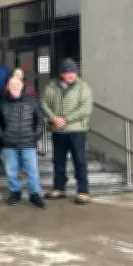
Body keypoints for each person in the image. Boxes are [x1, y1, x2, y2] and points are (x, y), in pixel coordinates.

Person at [41, 59, 94, 205]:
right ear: (61, 74)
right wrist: (53, 118)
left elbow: (85, 109)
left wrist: (65, 119)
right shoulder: (51, 86)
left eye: (73, 72)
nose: (70, 75)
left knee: (80, 161)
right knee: (58, 161)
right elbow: (44, 103)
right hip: (58, 131)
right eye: (67, 72)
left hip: (77, 130)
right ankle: (59, 188)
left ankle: (83, 191)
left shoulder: (83, 87)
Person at [0, 77, 46, 209]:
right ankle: (15, 192)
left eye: (17, 84)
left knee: (32, 171)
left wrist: (35, 136)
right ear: (8, 86)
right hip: (9, 143)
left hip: (28, 143)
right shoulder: (2, 102)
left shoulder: (32, 101)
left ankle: (34, 194)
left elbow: (40, 121)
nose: (15, 86)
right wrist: (2, 137)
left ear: (22, 85)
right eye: (12, 84)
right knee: (11, 171)